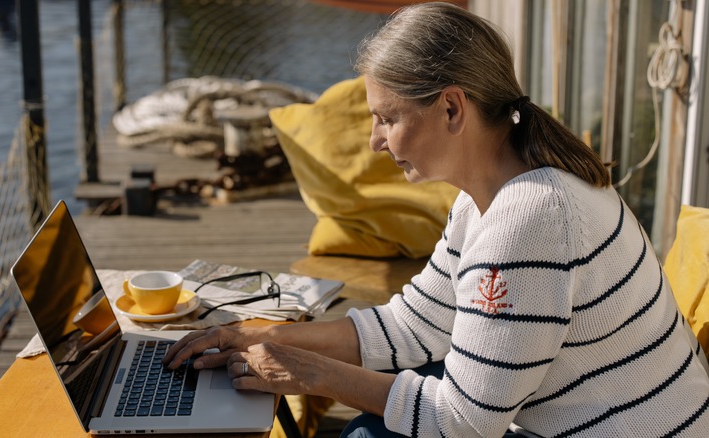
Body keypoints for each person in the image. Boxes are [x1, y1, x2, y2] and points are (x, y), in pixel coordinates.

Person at [164, 3, 709, 436]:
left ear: (452, 108)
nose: (376, 140)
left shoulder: (530, 222)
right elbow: (415, 325)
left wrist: (306, 373)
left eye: (387, 118)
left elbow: (464, 423)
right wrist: (256, 334)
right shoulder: (493, 192)